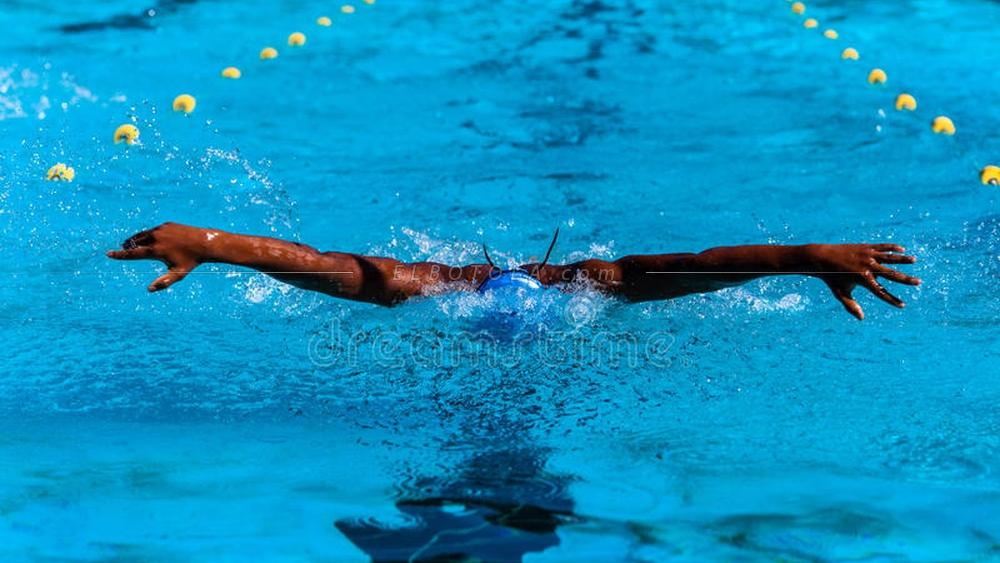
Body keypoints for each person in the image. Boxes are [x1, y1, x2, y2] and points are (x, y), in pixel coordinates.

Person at [107, 222, 920, 320]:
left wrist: (806, 258)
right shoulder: (439, 284)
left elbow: (687, 268)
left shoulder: (589, 281)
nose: (519, 278)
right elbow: (334, 268)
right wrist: (210, 242)